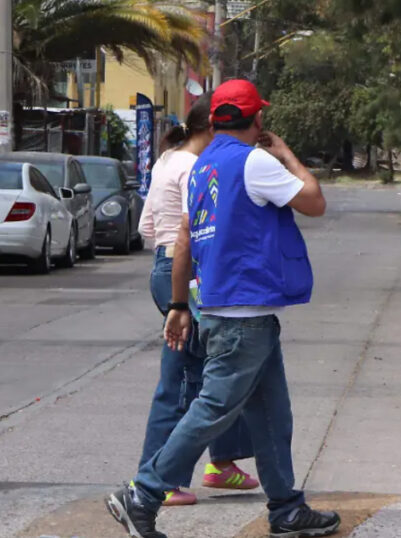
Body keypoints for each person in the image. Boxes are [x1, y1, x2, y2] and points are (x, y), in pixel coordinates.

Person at [106, 79, 340, 538]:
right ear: (257, 120)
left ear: (214, 120)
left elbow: (185, 240)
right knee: (212, 408)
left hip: (221, 307)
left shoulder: (203, 166)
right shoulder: (254, 162)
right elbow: (314, 202)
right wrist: (287, 155)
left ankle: (286, 508)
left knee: (273, 414)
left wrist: (179, 304)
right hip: (241, 318)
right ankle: (143, 493)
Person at [136, 94, 259, 507]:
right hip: (185, 274)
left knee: (216, 370)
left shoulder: (168, 159)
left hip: (166, 266)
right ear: (214, 126)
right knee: (185, 381)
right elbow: (196, 230)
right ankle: (160, 477)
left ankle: (221, 463)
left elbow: (147, 225)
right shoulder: (196, 167)